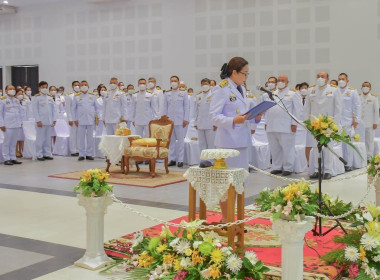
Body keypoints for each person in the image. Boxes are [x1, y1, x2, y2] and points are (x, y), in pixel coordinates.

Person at [209, 57, 262, 223]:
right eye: (244, 74)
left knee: (241, 180)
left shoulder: (241, 88)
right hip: (227, 142)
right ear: (234, 72)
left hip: (243, 140)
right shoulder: (221, 89)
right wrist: (232, 121)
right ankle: (226, 218)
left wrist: (256, 117)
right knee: (227, 182)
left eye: (248, 74)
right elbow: (214, 116)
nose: (246, 77)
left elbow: (244, 114)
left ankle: (238, 216)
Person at [304, 72, 342, 179]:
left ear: (327, 79)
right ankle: (317, 170)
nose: (320, 78)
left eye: (322, 77)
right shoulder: (311, 90)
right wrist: (307, 123)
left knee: (328, 147)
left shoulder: (334, 90)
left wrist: (335, 124)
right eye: (318, 76)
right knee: (315, 147)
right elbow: (306, 108)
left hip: (328, 125)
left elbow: (338, 109)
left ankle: (328, 170)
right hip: (314, 124)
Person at [264, 74, 301, 176]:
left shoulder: (293, 94)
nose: (280, 82)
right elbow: (268, 109)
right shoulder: (272, 93)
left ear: (287, 82)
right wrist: (266, 122)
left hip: (286, 126)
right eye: (279, 80)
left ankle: (288, 168)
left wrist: (294, 123)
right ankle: (277, 167)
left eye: (283, 80)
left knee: (287, 148)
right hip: (272, 125)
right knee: (274, 148)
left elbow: (297, 111)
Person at [163, 75, 189, 167]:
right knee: (171, 141)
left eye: (175, 81)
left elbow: (186, 106)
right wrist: (164, 119)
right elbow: (165, 107)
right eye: (172, 81)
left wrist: (186, 119)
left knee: (181, 141)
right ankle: (172, 159)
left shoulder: (183, 93)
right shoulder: (167, 93)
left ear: (178, 83)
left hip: (180, 120)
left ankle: (180, 160)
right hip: (170, 121)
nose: (173, 83)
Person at [337, 73, 361, 172]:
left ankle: (348, 164)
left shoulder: (352, 92)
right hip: (337, 122)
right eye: (339, 79)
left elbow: (358, 106)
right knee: (338, 144)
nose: (341, 81)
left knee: (348, 144)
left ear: (347, 81)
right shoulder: (335, 91)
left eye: (343, 79)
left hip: (348, 122)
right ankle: (340, 164)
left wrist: (357, 120)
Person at [72, 80, 100, 161]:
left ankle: (89, 154)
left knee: (90, 138)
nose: (84, 86)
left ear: (88, 86)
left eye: (85, 85)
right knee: (81, 138)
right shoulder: (76, 96)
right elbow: (73, 109)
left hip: (91, 120)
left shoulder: (92, 96)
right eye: (82, 85)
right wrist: (75, 119)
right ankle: (81, 154)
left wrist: (97, 117)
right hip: (80, 120)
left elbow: (96, 107)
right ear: (80, 87)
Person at [32, 81, 56, 161]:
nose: (45, 89)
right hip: (41, 122)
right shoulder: (36, 97)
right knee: (40, 139)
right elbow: (35, 110)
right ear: (39, 88)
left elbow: (54, 110)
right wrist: (38, 120)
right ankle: (39, 154)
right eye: (43, 87)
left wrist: (54, 119)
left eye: (46, 87)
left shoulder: (50, 97)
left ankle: (47, 154)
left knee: (48, 139)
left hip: (49, 121)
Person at [0, 85, 23, 165]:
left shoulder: (16, 100)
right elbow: (0, 113)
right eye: (10, 89)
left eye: (13, 89)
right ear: (6, 91)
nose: (12, 90)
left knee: (13, 142)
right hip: (7, 125)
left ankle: (13, 157)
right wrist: (1, 124)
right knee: (7, 142)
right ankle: (6, 158)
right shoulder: (3, 100)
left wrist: (20, 122)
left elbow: (20, 112)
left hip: (16, 124)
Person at [194, 78, 216, 154]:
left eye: (206, 84)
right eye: (203, 84)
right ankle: (203, 161)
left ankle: (211, 161)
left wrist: (215, 123)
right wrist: (195, 123)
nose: (204, 85)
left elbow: (215, 110)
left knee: (211, 144)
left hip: (210, 124)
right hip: (200, 123)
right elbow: (196, 111)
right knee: (201, 144)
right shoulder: (198, 96)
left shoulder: (214, 95)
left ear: (210, 85)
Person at [360, 81, 379, 161]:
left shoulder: (374, 98)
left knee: (369, 140)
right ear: (361, 88)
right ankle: (361, 155)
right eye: (363, 86)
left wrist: (375, 122)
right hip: (360, 123)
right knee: (360, 140)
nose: (365, 87)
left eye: (367, 86)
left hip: (370, 123)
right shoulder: (358, 97)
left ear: (370, 88)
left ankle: (369, 156)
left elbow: (376, 111)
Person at [65, 81, 80, 156]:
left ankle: (79, 149)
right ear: (72, 87)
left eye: (78, 85)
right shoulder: (69, 96)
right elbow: (68, 109)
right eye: (75, 85)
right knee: (73, 135)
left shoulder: (81, 95)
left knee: (80, 135)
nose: (77, 86)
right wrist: (70, 119)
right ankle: (73, 150)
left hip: (80, 118)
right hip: (73, 119)